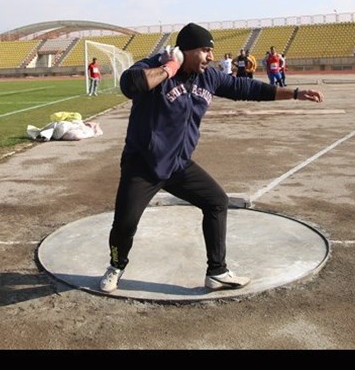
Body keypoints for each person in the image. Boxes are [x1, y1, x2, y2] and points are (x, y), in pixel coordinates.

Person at [99, 22, 325, 293]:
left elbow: (248, 89)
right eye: (205, 50)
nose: (210, 57)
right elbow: (131, 83)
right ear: (185, 51)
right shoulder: (152, 66)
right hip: (143, 165)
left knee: (217, 201)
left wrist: (295, 94)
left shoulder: (209, 77)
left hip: (179, 165)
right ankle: (116, 265)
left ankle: (217, 271)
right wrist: (170, 68)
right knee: (125, 223)